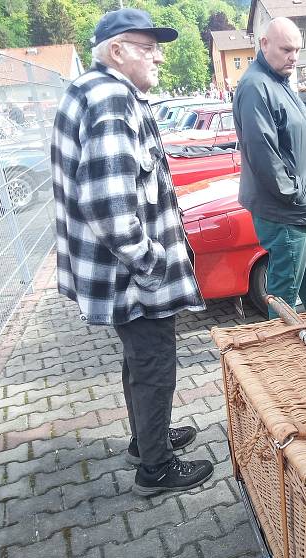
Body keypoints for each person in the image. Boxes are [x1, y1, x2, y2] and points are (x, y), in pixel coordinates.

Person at [51, 7, 214, 496]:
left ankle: (148, 442)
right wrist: (151, 262)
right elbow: (107, 204)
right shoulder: (110, 100)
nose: (159, 56)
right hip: (131, 273)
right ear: (117, 51)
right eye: (148, 47)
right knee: (154, 360)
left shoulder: (98, 91)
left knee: (140, 358)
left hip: (118, 273)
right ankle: (157, 469)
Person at [233, 17, 306, 318]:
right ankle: (280, 354)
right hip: (285, 211)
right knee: (283, 295)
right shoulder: (255, 87)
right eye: (287, 49)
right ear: (264, 44)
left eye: (297, 50)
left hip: (300, 208)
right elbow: (263, 153)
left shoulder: (278, 82)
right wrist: (295, 194)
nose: (294, 57)